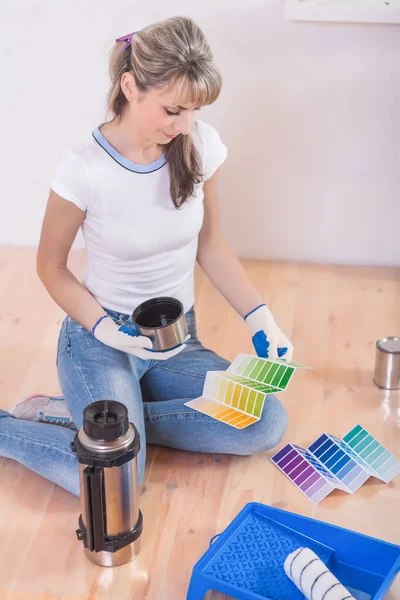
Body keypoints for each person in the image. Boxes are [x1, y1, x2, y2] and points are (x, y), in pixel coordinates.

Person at [1, 16, 293, 497]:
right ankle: (10, 429)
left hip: (176, 339)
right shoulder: (84, 168)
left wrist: (262, 318)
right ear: (130, 86)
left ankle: (84, 416)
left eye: (193, 112)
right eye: (173, 110)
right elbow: (49, 268)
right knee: (121, 480)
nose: (184, 127)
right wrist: (104, 327)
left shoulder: (200, 145)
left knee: (264, 421)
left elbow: (211, 244)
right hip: (101, 339)